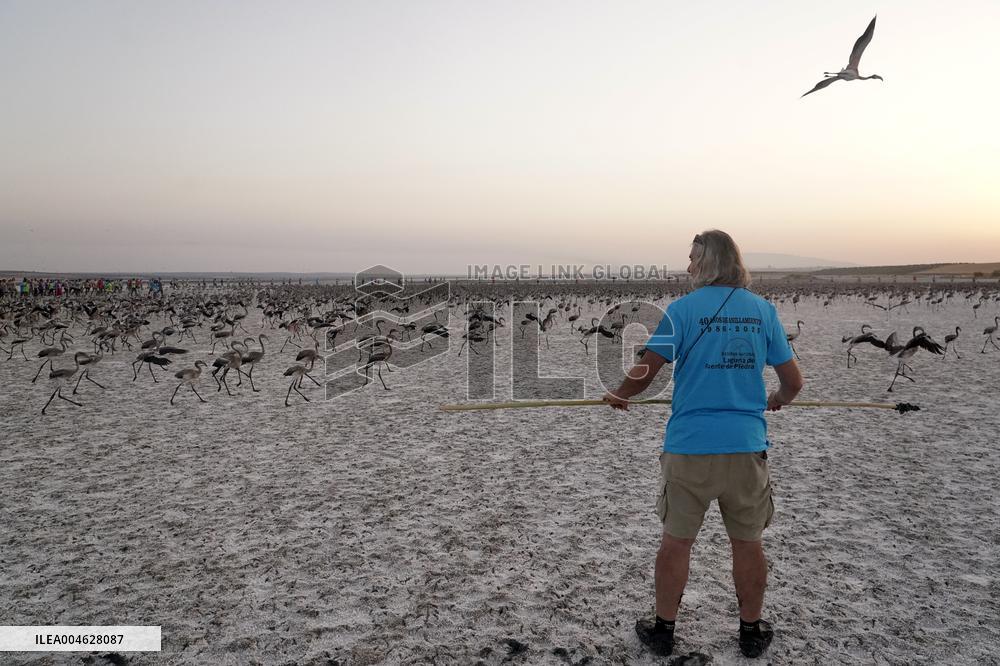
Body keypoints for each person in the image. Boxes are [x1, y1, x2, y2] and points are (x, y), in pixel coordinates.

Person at [603, 230, 803, 659]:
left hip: (690, 447)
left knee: (676, 541)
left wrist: (620, 393)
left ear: (710, 262)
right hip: (746, 448)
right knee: (747, 543)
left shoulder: (682, 311)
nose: (689, 265)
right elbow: (793, 383)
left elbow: (647, 370)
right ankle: (751, 633)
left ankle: (663, 631)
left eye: (694, 257)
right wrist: (777, 401)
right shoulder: (763, 311)